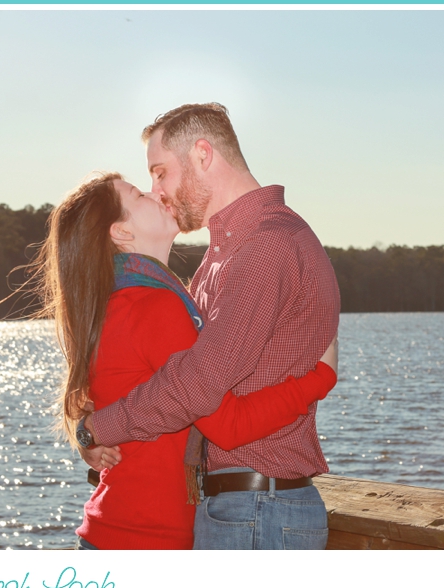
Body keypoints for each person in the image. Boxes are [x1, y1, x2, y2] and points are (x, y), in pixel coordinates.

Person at [22, 171, 338, 549]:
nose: (156, 193)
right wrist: (319, 377)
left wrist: (88, 431)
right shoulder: (157, 307)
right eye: (139, 194)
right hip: (144, 540)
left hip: (113, 531)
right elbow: (228, 425)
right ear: (120, 232)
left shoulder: (112, 306)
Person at [82, 103, 341, 550]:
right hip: (246, 509)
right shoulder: (220, 257)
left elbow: (196, 384)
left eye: (161, 173)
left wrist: (99, 428)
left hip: (260, 508)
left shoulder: (266, 245)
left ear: (203, 155)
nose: (157, 189)